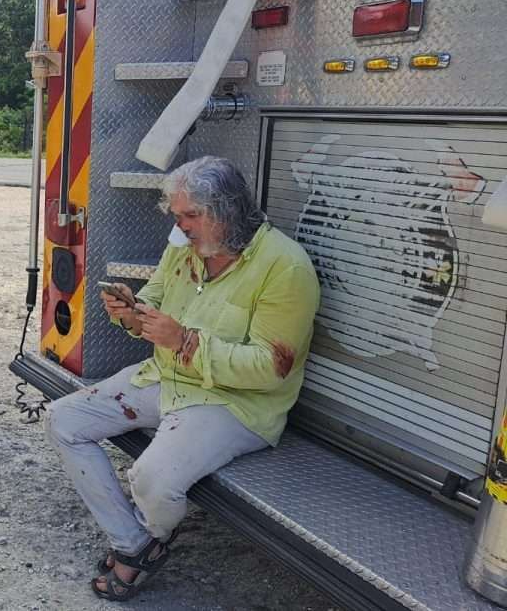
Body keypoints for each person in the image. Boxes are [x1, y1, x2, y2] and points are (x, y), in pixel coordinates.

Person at [45, 156, 320, 601]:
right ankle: (135, 543)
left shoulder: (285, 267)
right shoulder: (185, 245)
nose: (182, 226)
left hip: (234, 403)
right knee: (63, 420)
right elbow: (155, 295)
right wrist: (131, 314)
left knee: (150, 479)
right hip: (168, 375)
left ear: (226, 210)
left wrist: (186, 342)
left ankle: (146, 541)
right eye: (176, 215)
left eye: (191, 215)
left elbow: (271, 370)